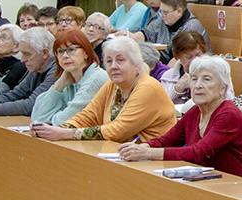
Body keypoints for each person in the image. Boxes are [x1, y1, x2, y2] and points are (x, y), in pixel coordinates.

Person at [116, 56, 242, 177]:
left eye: (206, 80)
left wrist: (147, 153)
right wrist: (142, 147)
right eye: (194, 79)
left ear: (222, 88)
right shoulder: (194, 111)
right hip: (202, 181)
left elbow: (198, 153)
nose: (198, 85)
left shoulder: (228, 114)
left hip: (231, 186)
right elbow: (166, 141)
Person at [29, 35, 176, 142]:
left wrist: (64, 133)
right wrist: (58, 129)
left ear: (136, 64)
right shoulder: (112, 85)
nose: (113, 66)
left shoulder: (147, 87)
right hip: (121, 155)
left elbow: (117, 131)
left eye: (120, 60)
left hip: (153, 161)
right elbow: (88, 116)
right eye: (109, 61)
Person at [30, 29, 108, 126]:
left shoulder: (96, 78)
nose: (65, 56)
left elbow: (65, 122)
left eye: (71, 50)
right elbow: (37, 118)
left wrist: (51, 117)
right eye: (60, 51)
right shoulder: (69, 80)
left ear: (86, 53)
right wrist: (59, 85)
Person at [140, 0, 206, 59]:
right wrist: (133, 37)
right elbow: (146, 33)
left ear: (179, 12)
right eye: (161, 11)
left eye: (165, 12)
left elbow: (179, 58)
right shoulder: (164, 20)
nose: (162, 16)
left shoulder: (191, 27)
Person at [156, 29, 209, 107]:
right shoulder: (168, 77)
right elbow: (160, 106)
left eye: (198, 55)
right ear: (178, 57)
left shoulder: (216, 74)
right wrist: (177, 89)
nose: (194, 61)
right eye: (189, 57)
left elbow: (227, 100)